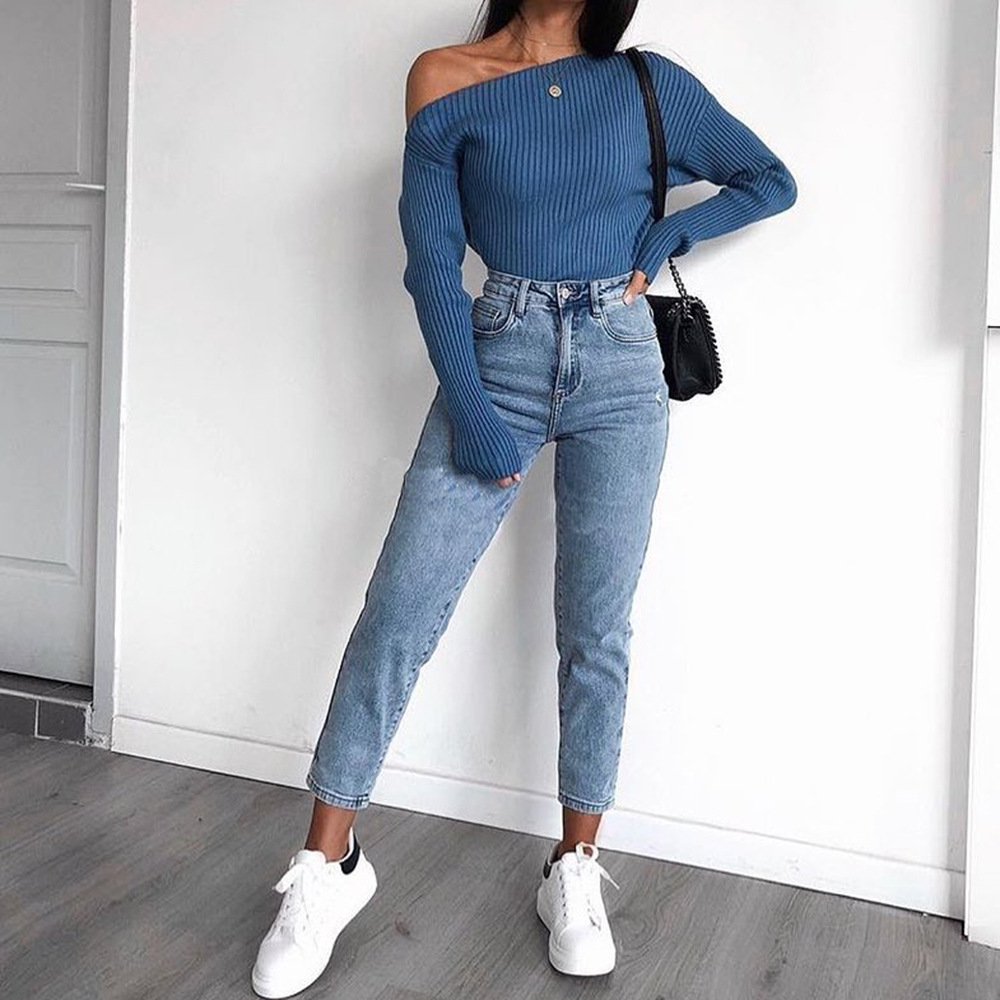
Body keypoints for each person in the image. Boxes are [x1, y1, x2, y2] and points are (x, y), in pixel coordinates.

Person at [251, 1, 797, 996]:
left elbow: (771, 179)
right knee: (398, 612)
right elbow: (429, 264)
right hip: (496, 353)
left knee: (596, 628)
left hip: (622, 365)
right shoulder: (444, 77)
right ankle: (330, 859)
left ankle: (574, 866)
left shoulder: (647, 82)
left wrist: (673, 229)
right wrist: (469, 406)